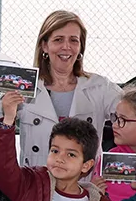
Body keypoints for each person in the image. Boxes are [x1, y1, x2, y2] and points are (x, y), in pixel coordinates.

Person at [12, 10, 124, 169]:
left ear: (81, 47)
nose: (66, 47)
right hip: (37, 181)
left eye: (73, 40)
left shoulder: (100, 87)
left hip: (85, 183)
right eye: (58, 40)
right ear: (44, 45)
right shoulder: (24, 84)